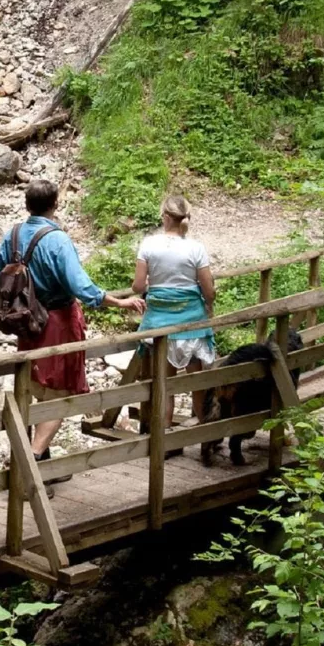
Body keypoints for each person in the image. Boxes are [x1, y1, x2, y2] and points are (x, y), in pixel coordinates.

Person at [0, 180, 144, 468]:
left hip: (27, 323)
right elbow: (81, 287)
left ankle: (42, 463)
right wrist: (119, 302)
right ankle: (30, 463)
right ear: (55, 204)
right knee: (59, 396)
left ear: (27, 204)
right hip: (57, 323)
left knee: (37, 390)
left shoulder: (12, 236)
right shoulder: (57, 240)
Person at [131, 195, 217, 457]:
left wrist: (154, 288)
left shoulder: (148, 244)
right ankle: (205, 435)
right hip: (191, 323)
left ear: (165, 217)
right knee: (196, 381)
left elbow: (137, 286)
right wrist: (209, 306)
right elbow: (208, 290)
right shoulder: (195, 248)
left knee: (165, 383)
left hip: (159, 323)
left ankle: (165, 437)